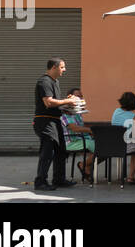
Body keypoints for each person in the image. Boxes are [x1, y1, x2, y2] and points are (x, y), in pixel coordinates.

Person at [33, 57, 78, 191]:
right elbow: (48, 102)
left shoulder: (55, 82)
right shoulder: (44, 81)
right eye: (62, 67)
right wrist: (67, 101)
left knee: (61, 151)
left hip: (55, 120)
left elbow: (55, 105)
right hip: (45, 121)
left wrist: (67, 108)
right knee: (48, 152)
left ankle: (59, 179)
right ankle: (40, 182)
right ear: (54, 67)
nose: (64, 70)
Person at [61, 87, 95, 184]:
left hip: (82, 139)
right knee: (102, 149)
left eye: (81, 96)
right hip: (71, 141)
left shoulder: (78, 113)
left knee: (105, 148)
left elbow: (81, 127)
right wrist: (91, 130)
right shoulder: (65, 113)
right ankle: (85, 166)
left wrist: (90, 133)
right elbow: (74, 128)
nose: (80, 98)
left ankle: (84, 165)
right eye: (77, 96)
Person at [111, 91, 135, 183]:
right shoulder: (134, 116)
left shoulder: (116, 111)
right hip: (125, 144)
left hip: (113, 143)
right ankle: (132, 176)